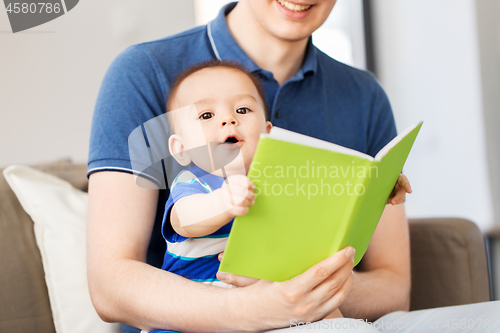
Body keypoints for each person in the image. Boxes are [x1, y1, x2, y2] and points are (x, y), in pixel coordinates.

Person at [87, 1, 412, 332]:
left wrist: (306, 277)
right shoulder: (145, 72)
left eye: (244, 111)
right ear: (179, 148)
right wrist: (256, 308)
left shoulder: (365, 96)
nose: (229, 121)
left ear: (267, 129)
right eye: (207, 116)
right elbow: (110, 286)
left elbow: (394, 290)